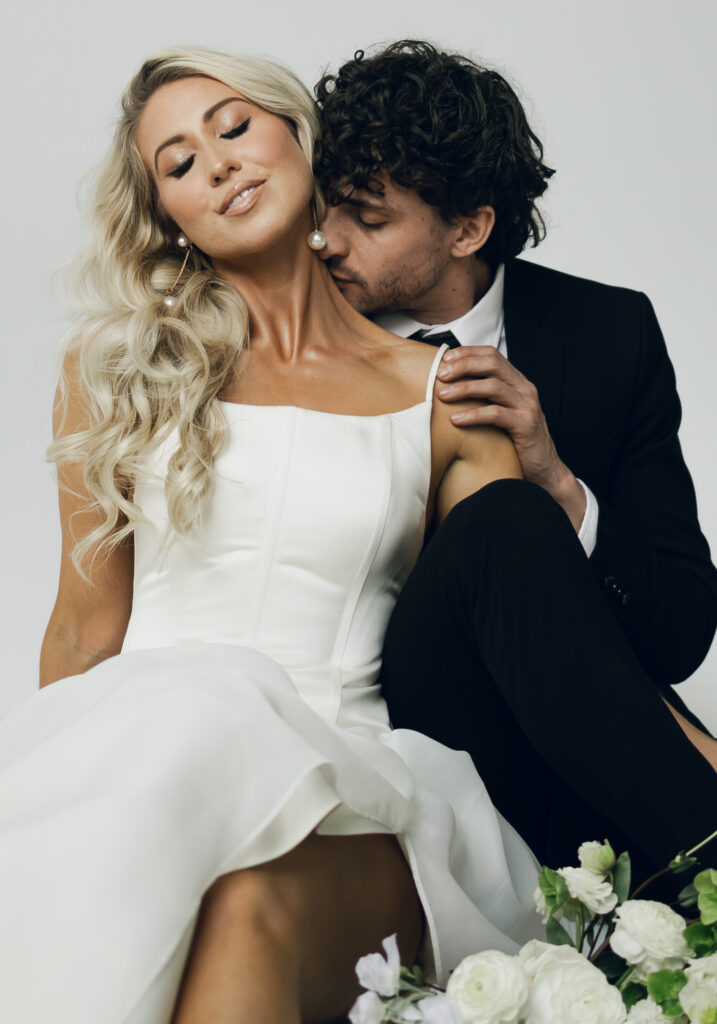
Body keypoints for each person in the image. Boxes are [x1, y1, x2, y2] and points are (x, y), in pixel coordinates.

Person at [0, 47, 547, 1024]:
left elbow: (535, 635)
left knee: (252, 885)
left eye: (232, 125)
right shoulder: (115, 371)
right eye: (175, 163)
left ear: (299, 137)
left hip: (359, 786)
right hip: (152, 770)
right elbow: (85, 635)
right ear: (169, 214)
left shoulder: (444, 398)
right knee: (195, 790)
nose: (213, 162)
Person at [313, 40, 717, 875]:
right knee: (498, 522)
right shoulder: (289, 332)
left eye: (369, 217)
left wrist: (560, 486)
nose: (324, 240)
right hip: (380, 708)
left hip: (573, 734)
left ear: (469, 228)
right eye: (326, 205)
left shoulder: (607, 336)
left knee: (516, 512)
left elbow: (678, 633)